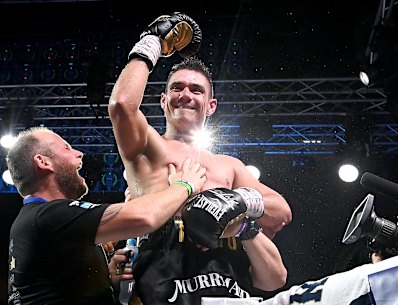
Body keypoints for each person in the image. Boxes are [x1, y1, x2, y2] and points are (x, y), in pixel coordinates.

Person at [108, 12, 292, 305]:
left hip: (230, 290)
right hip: (164, 286)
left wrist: (239, 202)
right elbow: (121, 106)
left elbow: (281, 212)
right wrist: (150, 43)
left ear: (210, 105)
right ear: (163, 100)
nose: (186, 95)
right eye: (176, 88)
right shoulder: (149, 147)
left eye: (197, 90)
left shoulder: (229, 165)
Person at [6, 126, 207, 305]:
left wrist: (107, 278)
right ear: (43, 162)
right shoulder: (48, 215)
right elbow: (144, 217)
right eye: (67, 148)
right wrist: (185, 185)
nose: (79, 153)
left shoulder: (40, 219)